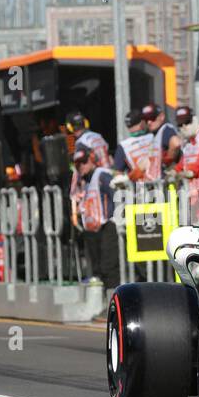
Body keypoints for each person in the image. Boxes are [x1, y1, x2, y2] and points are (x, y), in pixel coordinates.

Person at [70, 147, 119, 297]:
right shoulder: (83, 181)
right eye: (78, 164)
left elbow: (116, 195)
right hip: (92, 230)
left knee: (109, 266)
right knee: (97, 268)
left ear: (92, 160)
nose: (81, 166)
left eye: (84, 162)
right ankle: (105, 299)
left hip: (108, 225)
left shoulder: (101, 174)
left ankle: (113, 300)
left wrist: (116, 217)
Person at [112, 109, 159, 181]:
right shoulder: (155, 137)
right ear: (142, 123)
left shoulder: (123, 146)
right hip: (161, 182)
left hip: (140, 187)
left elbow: (118, 176)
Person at [144, 103, 182, 171]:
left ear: (162, 117)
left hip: (169, 179)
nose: (149, 122)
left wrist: (166, 161)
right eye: (146, 119)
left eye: (152, 118)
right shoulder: (155, 134)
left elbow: (176, 143)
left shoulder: (166, 129)